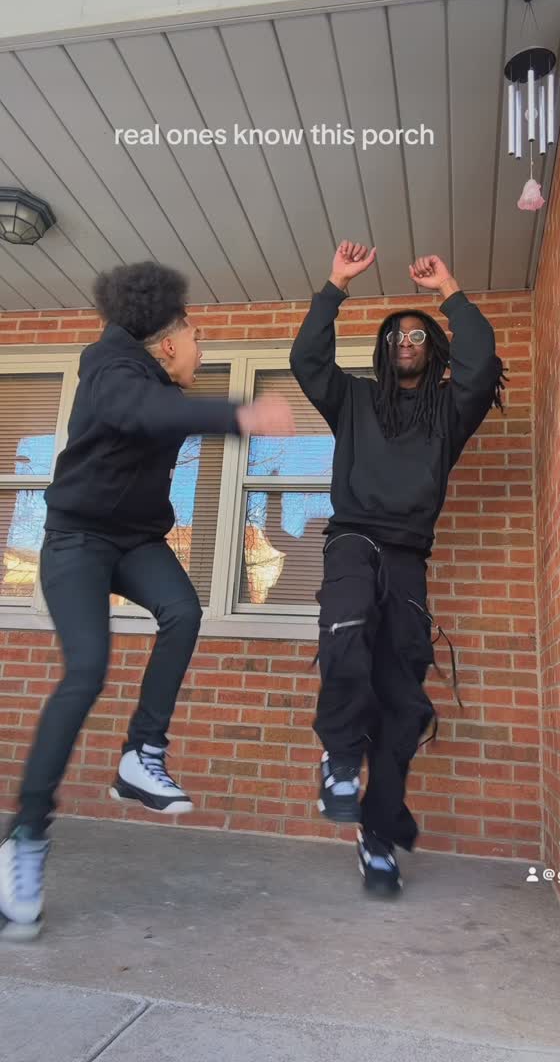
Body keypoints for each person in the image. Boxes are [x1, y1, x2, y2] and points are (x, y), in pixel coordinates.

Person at [0, 261, 294, 940]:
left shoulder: (157, 383)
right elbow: (141, 410)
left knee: (183, 611)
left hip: (135, 542)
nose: (202, 350)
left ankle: (142, 756)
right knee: (86, 671)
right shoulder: (109, 367)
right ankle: (27, 837)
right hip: (76, 542)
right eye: (197, 338)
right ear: (166, 342)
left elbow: (159, 410)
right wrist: (238, 413)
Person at [290, 241, 505, 896]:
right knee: (346, 628)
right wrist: (335, 285)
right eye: (395, 336)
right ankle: (338, 759)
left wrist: (449, 290)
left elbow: (481, 361)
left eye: (416, 336)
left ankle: (378, 836)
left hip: (408, 557)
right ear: (383, 351)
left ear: (431, 349)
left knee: (403, 707)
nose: (405, 342)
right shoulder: (353, 399)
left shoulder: (448, 410)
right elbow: (307, 361)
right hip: (353, 539)